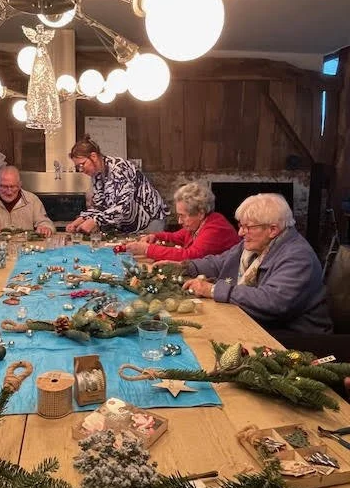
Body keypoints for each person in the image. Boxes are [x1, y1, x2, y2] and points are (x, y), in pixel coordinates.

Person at [180, 193, 332, 338]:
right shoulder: (255, 245)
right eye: (240, 225)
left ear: (273, 229)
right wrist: (184, 266)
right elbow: (218, 263)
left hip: (296, 337)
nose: (240, 233)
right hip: (263, 325)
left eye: (248, 227)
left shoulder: (298, 257)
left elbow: (272, 302)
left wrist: (213, 290)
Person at [65, 135, 168, 234]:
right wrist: (79, 220)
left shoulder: (119, 168)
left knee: (147, 250)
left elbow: (123, 208)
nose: (81, 169)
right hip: (130, 224)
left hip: (151, 219)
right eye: (78, 167)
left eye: (82, 164)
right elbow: (100, 207)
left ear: (93, 156)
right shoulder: (97, 176)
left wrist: (95, 221)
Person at [125, 181, 239, 260]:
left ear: (200, 213)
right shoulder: (198, 224)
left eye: (183, 216)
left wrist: (147, 249)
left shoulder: (215, 228)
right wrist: (155, 236)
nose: (179, 221)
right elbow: (176, 236)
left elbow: (189, 256)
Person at [0, 165, 55, 236]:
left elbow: (47, 224)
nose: (9, 191)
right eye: (4, 186)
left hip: (26, 251)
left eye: (13, 186)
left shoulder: (32, 200)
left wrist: (45, 228)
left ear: (20, 185)